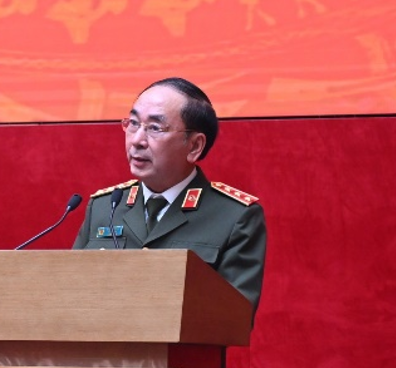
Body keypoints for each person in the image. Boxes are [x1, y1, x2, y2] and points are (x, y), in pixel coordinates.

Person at [72, 77, 267, 314]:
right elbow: (70, 298)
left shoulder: (234, 217)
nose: (137, 140)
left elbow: (233, 317)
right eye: (133, 123)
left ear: (194, 146)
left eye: (155, 128)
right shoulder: (104, 207)